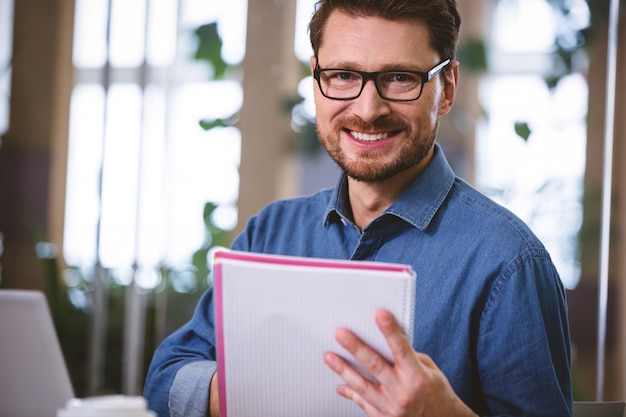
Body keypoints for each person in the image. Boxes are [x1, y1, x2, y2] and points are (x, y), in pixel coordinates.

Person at [144, 0, 573, 415]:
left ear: (447, 90)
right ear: (316, 80)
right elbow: (165, 379)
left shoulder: (509, 263)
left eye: (401, 78)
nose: (368, 110)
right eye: (344, 75)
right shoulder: (269, 234)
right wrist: (261, 391)